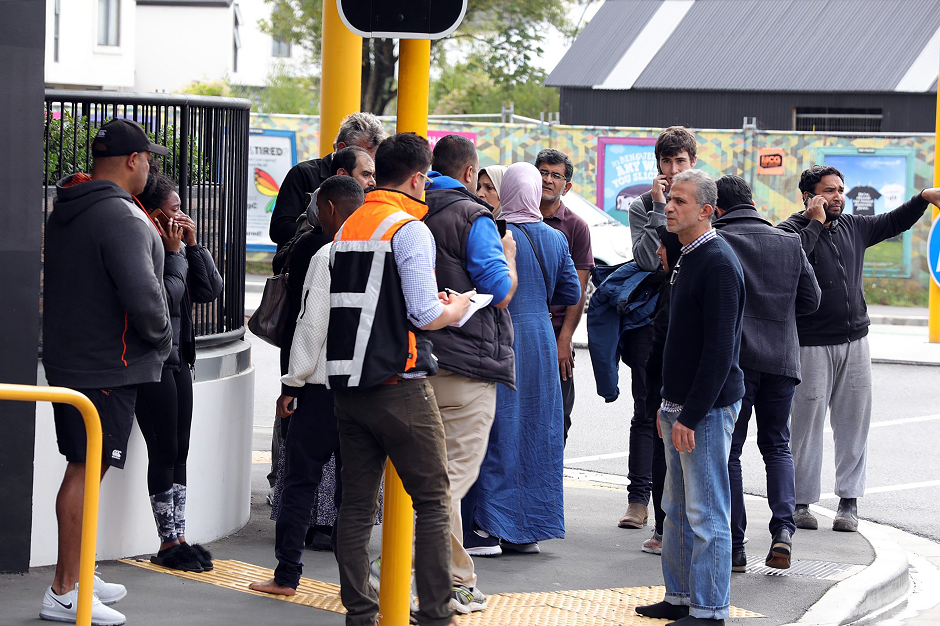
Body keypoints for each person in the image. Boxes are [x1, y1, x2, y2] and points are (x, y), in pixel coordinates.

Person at [327, 132, 472, 626]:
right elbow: (424, 312)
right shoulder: (409, 229)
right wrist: (457, 308)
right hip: (400, 383)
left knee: (356, 506)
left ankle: (359, 614)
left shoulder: (349, 225)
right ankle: (436, 615)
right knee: (432, 500)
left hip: (349, 387)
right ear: (416, 178)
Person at [41, 118, 172, 625]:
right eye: (149, 159)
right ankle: (63, 590)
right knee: (85, 468)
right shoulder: (117, 215)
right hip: (108, 363)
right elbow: (142, 294)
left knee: (85, 466)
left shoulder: (72, 206)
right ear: (133, 161)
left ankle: (77, 571)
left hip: (78, 356)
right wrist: (160, 335)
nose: (152, 168)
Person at [778, 166, 940, 533]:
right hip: (810, 344)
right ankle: (801, 502)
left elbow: (893, 221)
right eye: (829, 191)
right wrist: (814, 225)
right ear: (808, 196)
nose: (838, 196)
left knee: (853, 423)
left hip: (855, 341)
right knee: (805, 425)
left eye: (841, 190)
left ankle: (848, 502)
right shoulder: (788, 230)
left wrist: (923, 198)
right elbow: (788, 264)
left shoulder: (854, 226)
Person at [636, 169, 745, 626]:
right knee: (675, 510)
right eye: (669, 199)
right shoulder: (687, 255)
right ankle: (680, 597)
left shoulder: (718, 262)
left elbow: (721, 351)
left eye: (680, 201)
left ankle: (710, 610)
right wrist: (666, 401)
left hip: (705, 409)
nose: (669, 206)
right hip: (677, 405)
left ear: (707, 211)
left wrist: (690, 413)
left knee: (706, 513)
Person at [249, 176, 366, 596]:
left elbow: (311, 326)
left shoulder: (327, 254)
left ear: (330, 209)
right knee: (355, 493)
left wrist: (291, 385)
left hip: (321, 390)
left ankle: (285, 576)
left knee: (300, 481)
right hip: (369, 390)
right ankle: (355, 585)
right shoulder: (388, 255)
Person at [265, 113, 385, 500]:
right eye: (365, 165)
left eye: (374, 168)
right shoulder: (316, 240)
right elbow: (279, 229)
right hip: (308, 341)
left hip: (346, 357)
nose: (371, 178)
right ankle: (291, 496)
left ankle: (322, 512)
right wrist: (323, 227)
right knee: (297, 419)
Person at [423, 135, 518, 613]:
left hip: (417, 362)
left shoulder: (408, 209)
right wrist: (512, 259)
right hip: (468, 366)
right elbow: (499, 290)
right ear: (468, 174)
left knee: (438, 476)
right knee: (447, 483)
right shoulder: (471, 216)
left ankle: (458, 579)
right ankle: (404, 569)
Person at [471, 162, 581, 555]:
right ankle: (530, 528)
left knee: (500, 431)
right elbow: (570, 291)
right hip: (541, 339)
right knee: (539, 431)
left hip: (504, 336)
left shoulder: (498, 232)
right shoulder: (554, 238)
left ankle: (490, 528)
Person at [712, 175, 820, 572]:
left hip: (738, 362)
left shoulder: (719, 241)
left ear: (717, 208)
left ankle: (736, 547)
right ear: (752, 201)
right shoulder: (788, 241)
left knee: (731, 452)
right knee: (777, 445)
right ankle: (783, 532)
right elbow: (811, 300)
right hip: (782, 359)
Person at [135, 172, 223, 572]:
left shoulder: (177, 249)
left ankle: (180, 536)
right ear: (155, 215)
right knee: (164, 450)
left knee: (181, 448)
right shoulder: (145, 244)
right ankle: (167, 540)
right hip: (152, 363)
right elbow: (162, 296)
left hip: (179, 358)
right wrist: (174, 255)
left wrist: (193, 245)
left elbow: (210, 291)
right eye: (175, 211)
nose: (183, 216)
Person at [619, 127, 698, 530]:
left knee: (690, 414)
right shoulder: (641, 206)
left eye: (679, 161)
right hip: (651, 320)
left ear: (692, 163)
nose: (671, 169)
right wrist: (656, 206)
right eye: (666, 162)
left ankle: (679, 510)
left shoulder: (704, 200)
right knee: (645, 411)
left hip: (692, 317)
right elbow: (648, 261)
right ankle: (639, 498)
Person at [534, 149, 594, 445]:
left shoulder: (576, 227)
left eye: (555, 175)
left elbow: (578, 290)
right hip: (520, 331)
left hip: (557, 332)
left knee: (558, 418)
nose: (547, 180)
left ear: (566, 186)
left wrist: (565, 339)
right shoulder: (513, 216)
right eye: (543, 172)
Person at [268, 112, 385, 248]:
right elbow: (279, 229)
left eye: (373, 160)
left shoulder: (372, 182)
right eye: (364, 156)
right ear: (342, 148)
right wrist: (322, 235)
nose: (371, 178)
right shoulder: (303, 173)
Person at [637, 228, 683, 556]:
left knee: (664, 454)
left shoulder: (676, 281)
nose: (657, 254)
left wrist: (651, 381)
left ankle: (663, 530)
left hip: (671, 388)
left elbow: (662, 336)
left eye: (662, 247)